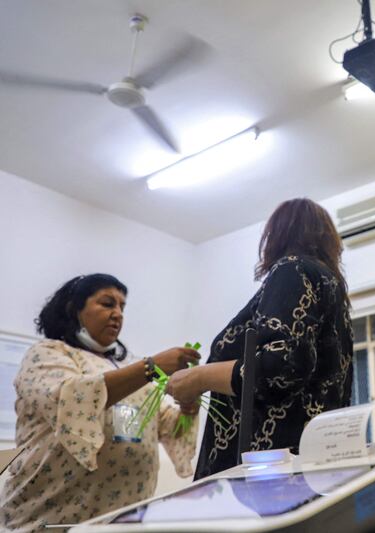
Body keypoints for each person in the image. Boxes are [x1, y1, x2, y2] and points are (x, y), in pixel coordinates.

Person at [166, 198, 354, 480]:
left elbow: (283, 364)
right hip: (309, 462)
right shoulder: (332, 288)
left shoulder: (292, 269)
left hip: (265, 470)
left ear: (276, 235)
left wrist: (199, 378)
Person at [0, 274, 200, 532]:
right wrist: (151, 367)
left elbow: (166, 425)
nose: (118, 314)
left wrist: (189, 403)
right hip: (50, 519)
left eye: (122, 307)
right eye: (107, 304)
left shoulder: (125, 368)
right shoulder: (48, 353)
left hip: (120, 519)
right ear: (74, 310)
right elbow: (69, 398)